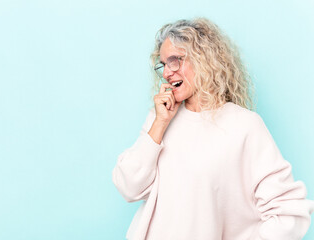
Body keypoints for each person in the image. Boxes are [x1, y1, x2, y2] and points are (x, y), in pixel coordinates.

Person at [112, 17, 314, 240]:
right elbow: (129, 188)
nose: (167, 73)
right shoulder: (159, 118)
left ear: (204, 60)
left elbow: (288, 210)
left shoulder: (243, 125)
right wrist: (160, 123)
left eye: (175, 60)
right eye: (163, 64)